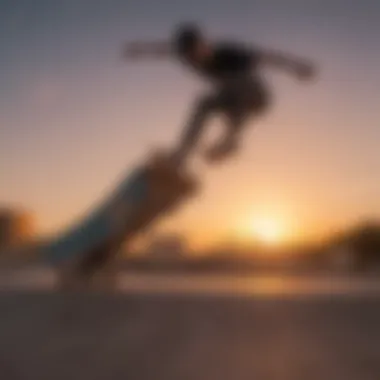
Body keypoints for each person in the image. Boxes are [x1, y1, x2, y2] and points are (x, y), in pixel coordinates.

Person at [123, 22, 317, 165]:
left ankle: (230, 139)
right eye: (189, 56)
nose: (195, 59)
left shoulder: (227, 52)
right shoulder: (184, 55)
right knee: (203, 104)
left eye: (197, 51)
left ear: (203, 44)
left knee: (232, 82)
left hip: (257, 96)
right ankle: (181, 156)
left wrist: (297, 66)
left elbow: (266, 57)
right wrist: (140, 50)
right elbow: (164, 50)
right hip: (233, 100)